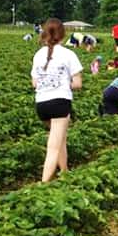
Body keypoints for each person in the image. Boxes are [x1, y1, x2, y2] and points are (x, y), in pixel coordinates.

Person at [31, 19, 83, 182]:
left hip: (41, 104)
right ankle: (44, 184)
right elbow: (77, 84)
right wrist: (62, 82)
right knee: (53, 147)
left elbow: (34, 83)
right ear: (62, 35)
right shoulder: (68, 54)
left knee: (60, 138)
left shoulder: (38, 54)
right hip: (59, 102)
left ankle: (65, 171)